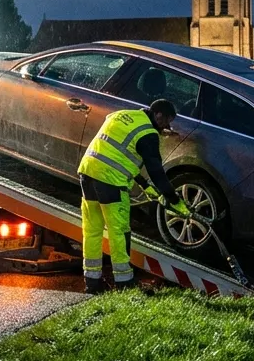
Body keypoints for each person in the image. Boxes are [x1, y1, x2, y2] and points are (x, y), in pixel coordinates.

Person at [77, 98, 190, 294]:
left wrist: (144, 185)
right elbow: (156, 171)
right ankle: (124, 283)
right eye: (166, 121)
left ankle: (92, 282)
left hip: (87, 172)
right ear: (158, 115)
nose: (167, 127)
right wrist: (173, 199)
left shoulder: (122, 115)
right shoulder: (148, 134)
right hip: (111, 182)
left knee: (92, 230)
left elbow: (118, 153)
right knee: (119, 232)